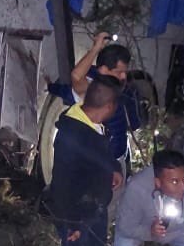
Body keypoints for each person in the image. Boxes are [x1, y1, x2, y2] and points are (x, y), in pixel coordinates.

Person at [46, 78, 123, 246]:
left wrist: (114, 169)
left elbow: (99, 156)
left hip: (93, 210)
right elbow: (63, 184)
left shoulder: (91, 125)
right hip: (79, 217)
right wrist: (74, 224)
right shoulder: (74, 134)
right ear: (109, 106)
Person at [49, 32, 142, 176]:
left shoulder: (125, 90)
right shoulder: (93, 89)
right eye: (119, 72)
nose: (124, 76)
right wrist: (95, 49)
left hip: (119, 160)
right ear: (104, 70)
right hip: (97, 165)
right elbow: (76, 76)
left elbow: (134, 123)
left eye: (125, 72)